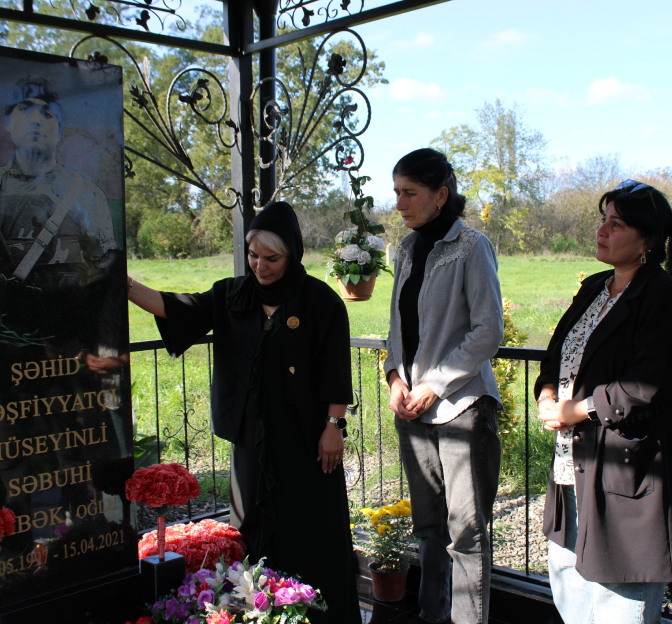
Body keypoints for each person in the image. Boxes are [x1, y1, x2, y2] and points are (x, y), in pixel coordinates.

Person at [128, 201, 360, 624]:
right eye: (253, 256)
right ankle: (264, 610)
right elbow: (178, 307)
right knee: (253, 519)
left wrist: (334, 425)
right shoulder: (232, 295)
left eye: (272, 258)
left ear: (293, 254)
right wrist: (127, 287)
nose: (261, 266)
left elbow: (335, 369)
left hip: (306, 437)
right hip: (251, 437)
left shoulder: (320, 302)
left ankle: (323, 613)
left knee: (312, 526)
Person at [534, 180, 672, 624]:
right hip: (572, 468)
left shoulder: (665, 297)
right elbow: (557, 354)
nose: (602, 230)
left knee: (616, 602)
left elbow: (649, 385)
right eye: (602, 219)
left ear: (647, 240)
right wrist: (548, 392)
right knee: (568, 589)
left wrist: (578, 409)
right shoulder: (593, 288)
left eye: (617, 223)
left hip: (628, 472)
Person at [384, 148, 504, 624]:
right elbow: (398, 326)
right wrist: (395, 376)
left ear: (441, 195)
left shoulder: (472, 247)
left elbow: (487, 330)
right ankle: (433, 617)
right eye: (396, 192)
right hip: (412, 408)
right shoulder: (407, 249)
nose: (399, 204)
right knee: (428, 528)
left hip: (462, 409)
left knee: (467, 531)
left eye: (409, 193)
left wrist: (434, 384)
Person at [0, 76, 118, 293]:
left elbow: (105, 261)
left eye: (47, 113)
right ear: (8, 122)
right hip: (4, 320)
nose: (36, 120)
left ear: (59, 131)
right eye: (26, 109)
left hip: (66, 312)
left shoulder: (87, 193)